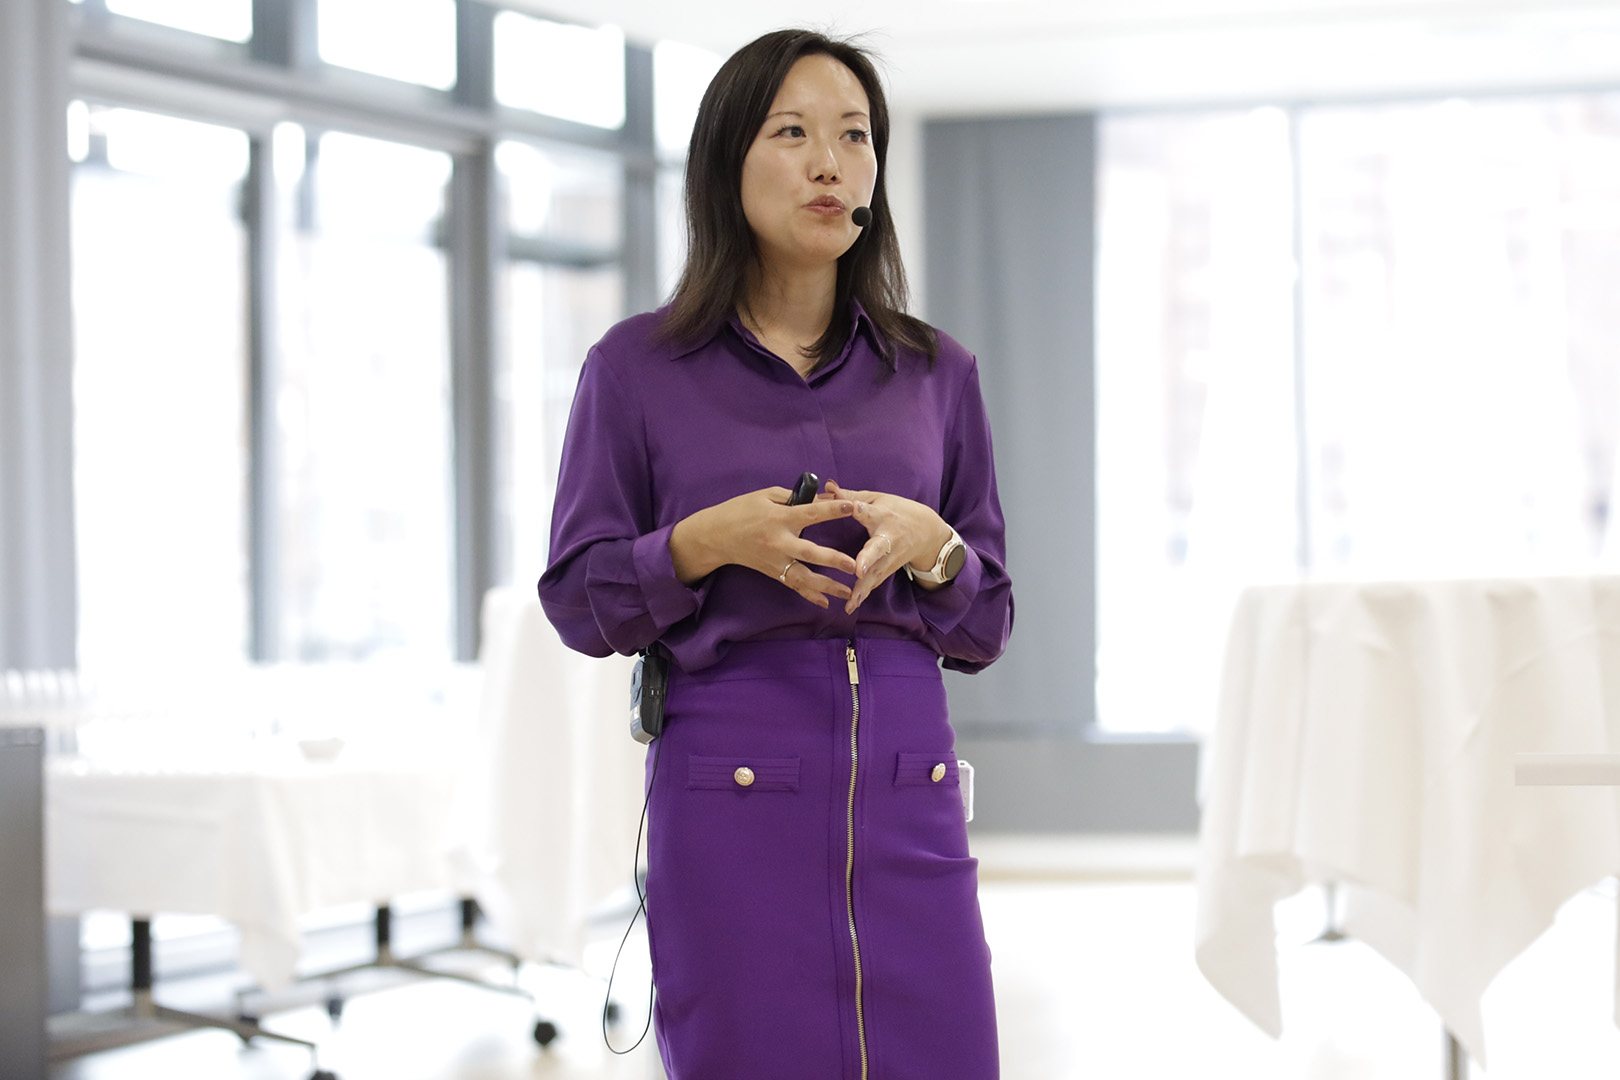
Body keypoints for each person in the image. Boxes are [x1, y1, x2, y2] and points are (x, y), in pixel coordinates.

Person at [538, 27, 1013, 1080]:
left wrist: (936, 550)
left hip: (911, 786)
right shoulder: (637, 369)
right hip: (730, 789)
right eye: (793, 133)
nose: (830, 163)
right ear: (727, 162)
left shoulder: (937, 374)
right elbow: (577, 599)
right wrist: (698, 545)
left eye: (855, 136)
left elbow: (987, 624)